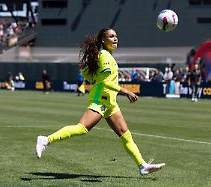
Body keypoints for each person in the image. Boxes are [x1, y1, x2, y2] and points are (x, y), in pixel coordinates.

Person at [35, 28, 165, 176]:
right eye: (111, 36)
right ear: (103, 40)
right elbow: (106, 82)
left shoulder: (105, 56)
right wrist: (126, 91)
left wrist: (87, 70)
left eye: (116, 36)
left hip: (110, 103)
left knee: (125, 135)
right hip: (100, 100)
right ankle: (45, 140)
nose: (115, 38)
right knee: (82, 128)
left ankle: (142, 166)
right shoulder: (105, 56)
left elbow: (91, 77)